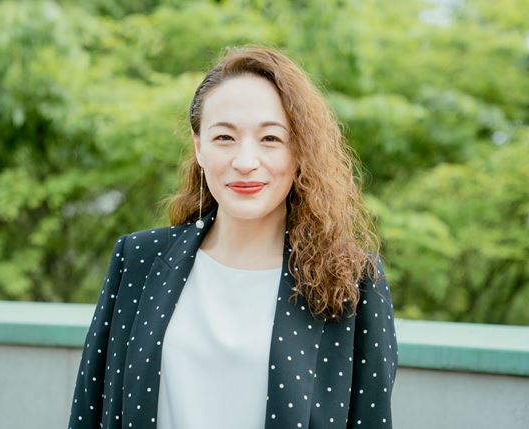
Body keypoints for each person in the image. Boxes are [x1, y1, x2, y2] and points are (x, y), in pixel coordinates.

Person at [67, 44, 398, 429]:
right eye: (224, 137)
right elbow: (88, 411)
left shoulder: (352, 280)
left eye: (270, 139)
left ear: (299, 151)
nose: (244, 162)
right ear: (199, 147)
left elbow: (371, 419)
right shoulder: (138, 259)